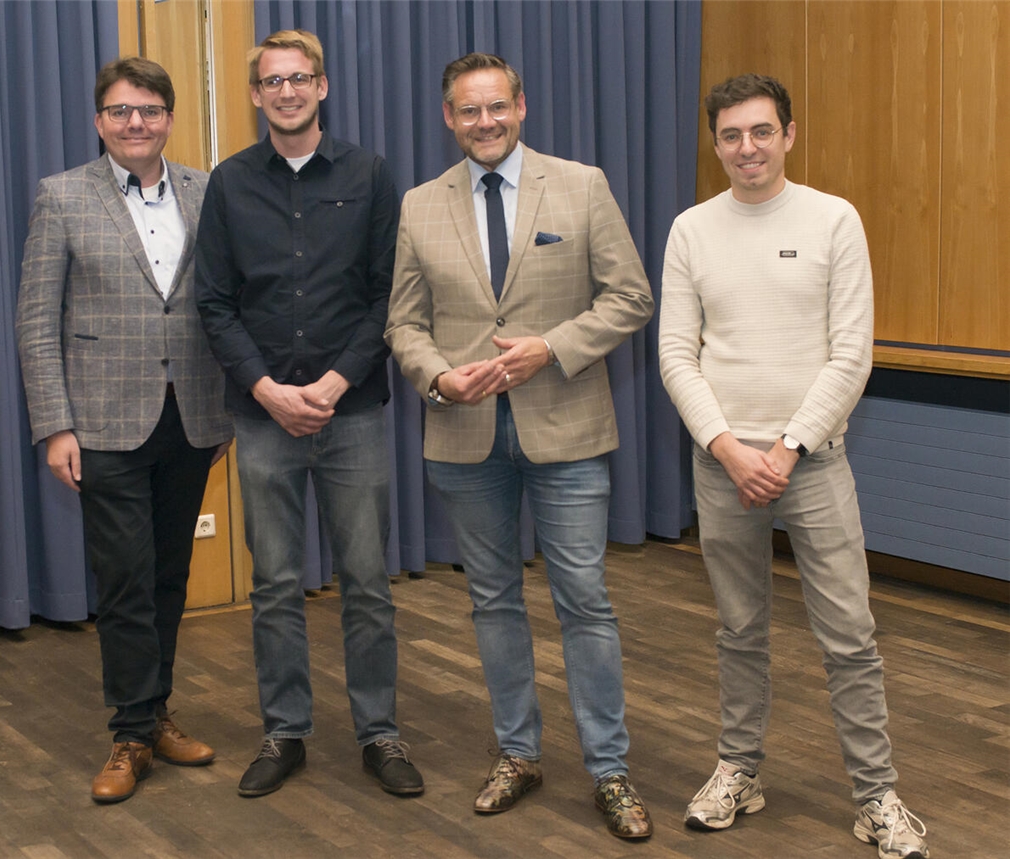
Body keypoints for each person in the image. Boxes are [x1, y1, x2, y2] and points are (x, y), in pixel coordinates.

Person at [658, 74, 930, 859]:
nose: (747, 148)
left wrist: (784, 450)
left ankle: (876, 794)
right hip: (723, 466)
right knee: (739, 630)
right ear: (716, 145)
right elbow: (678, 353)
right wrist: (727, 447)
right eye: (731, 136)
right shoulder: (690, 231)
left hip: (810, 465)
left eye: (761, 132)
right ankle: (739, 769)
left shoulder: (833, 220)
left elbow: (852, 354)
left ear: (789, 133)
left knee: (849, 634)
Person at [385, 52, 654, 840]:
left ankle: (609, 769)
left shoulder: (581, 184)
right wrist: (437, 379)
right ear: (448, 118)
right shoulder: (417, 206)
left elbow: (630, 297)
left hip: (567, 425)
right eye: (469, 112)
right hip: (464, 437)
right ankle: (518, 753)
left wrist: (552, 348)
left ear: (522, 106)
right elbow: (403, 322)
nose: (485, 122)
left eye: (497, 107)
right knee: (493, 600)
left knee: (585, 602)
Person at [194, 29, 422, 799]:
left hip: (351, 412)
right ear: (256, 95)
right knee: (276, 584)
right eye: (271, 82)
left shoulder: (369, 174)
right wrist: (265, 390)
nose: (286, 92)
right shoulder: (228, 185)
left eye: (299, 79)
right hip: (262, 419)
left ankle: (379, 733)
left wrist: (332, 383)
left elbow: (387, 294)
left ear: (322, 86)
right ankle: (285, 731)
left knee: (366, 582)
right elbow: (215, 303)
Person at [16, 57, 232, 803]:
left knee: (169, 575)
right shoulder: (62, 195)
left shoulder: (210, 191)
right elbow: (37, 321)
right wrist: (55, 425)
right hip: (102, 422)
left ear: (170, 117)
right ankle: (131, 732)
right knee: (125, 579)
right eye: (119, 111)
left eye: (148, 109)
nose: (134, 122)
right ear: (99, 120)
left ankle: (157, 709)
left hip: (194, 415)